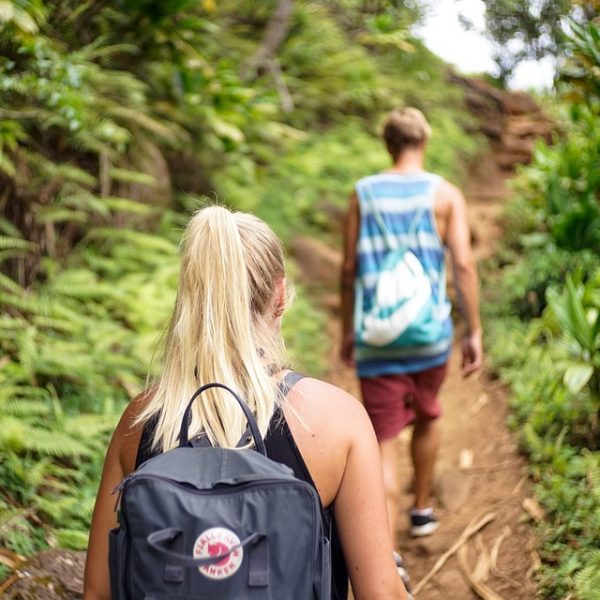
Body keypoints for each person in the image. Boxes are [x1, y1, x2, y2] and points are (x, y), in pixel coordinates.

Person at [84, 205, 408, 600]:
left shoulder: (141, 422)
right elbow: (380, 594)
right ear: (280, 296)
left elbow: (98, 593)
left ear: (190, 296)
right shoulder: (336, 420)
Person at [340, 107, 483, 541]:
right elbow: (462, 263)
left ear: (388, 144)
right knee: (427, 417)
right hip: (429, 337)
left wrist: (350, 330)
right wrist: (473, 330)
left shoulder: (362, 194)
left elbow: (348, 271)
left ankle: (386, 548)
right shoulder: (445, 195)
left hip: (377, 338)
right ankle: (421, 510)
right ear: (424, 142)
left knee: (381, 437)